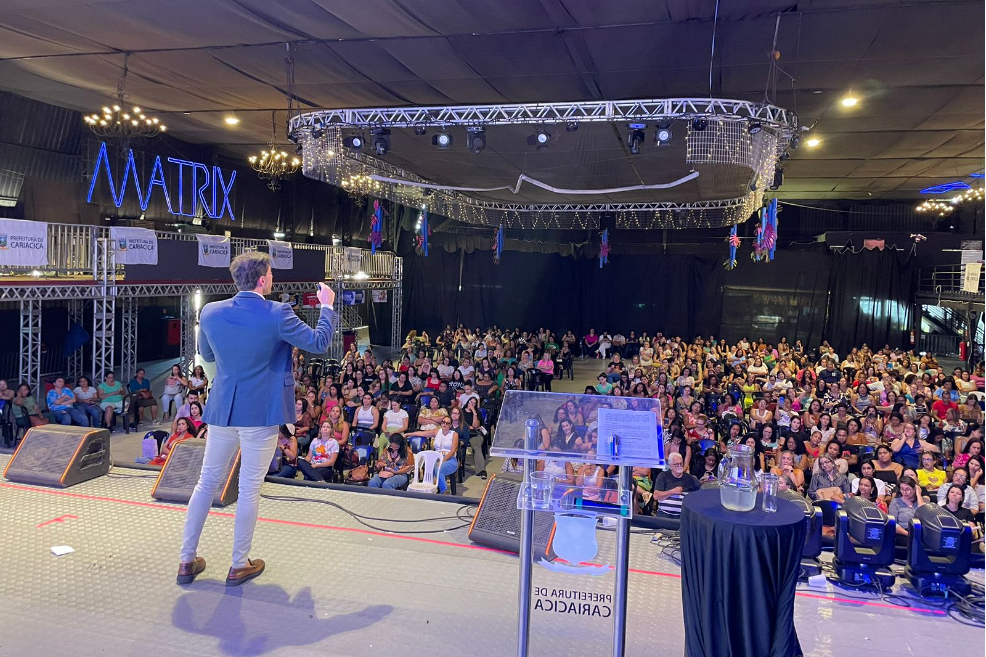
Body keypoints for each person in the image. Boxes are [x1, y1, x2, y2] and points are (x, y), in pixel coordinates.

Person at [177, 251, 335, 587]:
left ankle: (186, 561)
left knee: (206, 483)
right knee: (249, 489)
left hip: (222, 409)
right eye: (271, 274)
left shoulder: (210, 311)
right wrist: (327, 306)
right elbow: (320, 342)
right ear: (263, 280)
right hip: (259, 413)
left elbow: (206, 355)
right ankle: (237, 565)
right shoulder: (278, 313)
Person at [653, 452, 701, 518]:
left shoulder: (690, 478)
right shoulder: (663, 476)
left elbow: (701, 489)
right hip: (664, 514)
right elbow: (656, 496)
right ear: (670, 466)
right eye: (676, 464)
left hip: (683, 516)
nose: (679, 466)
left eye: (681, 463)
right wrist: (672, 492)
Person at [432, 417, 460, 494]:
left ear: (450, 425)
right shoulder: (437, 431)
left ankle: (443, 491)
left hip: (450, 459)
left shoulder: (454, 434)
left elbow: (453, 450)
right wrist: (408, 434)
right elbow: (421, 433)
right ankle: (433, 489)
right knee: (430, 467)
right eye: (443, 422)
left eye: (447, 423)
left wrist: (442, 460)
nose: (444, 424)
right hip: (437, 458)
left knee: (438, 469)